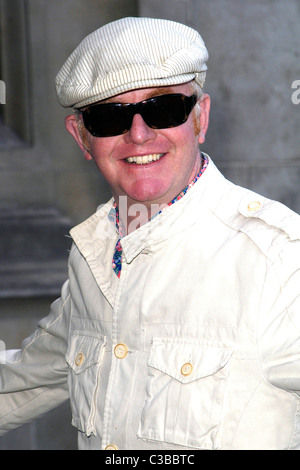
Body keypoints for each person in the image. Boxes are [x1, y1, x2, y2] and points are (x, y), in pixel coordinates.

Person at [0, 16, 300, 451]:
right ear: (82, 137)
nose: (139, 134)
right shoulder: (96, 253)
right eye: (109, 117)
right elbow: (24, 381)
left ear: (200, 117)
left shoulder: (279, 259)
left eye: (163, 108)